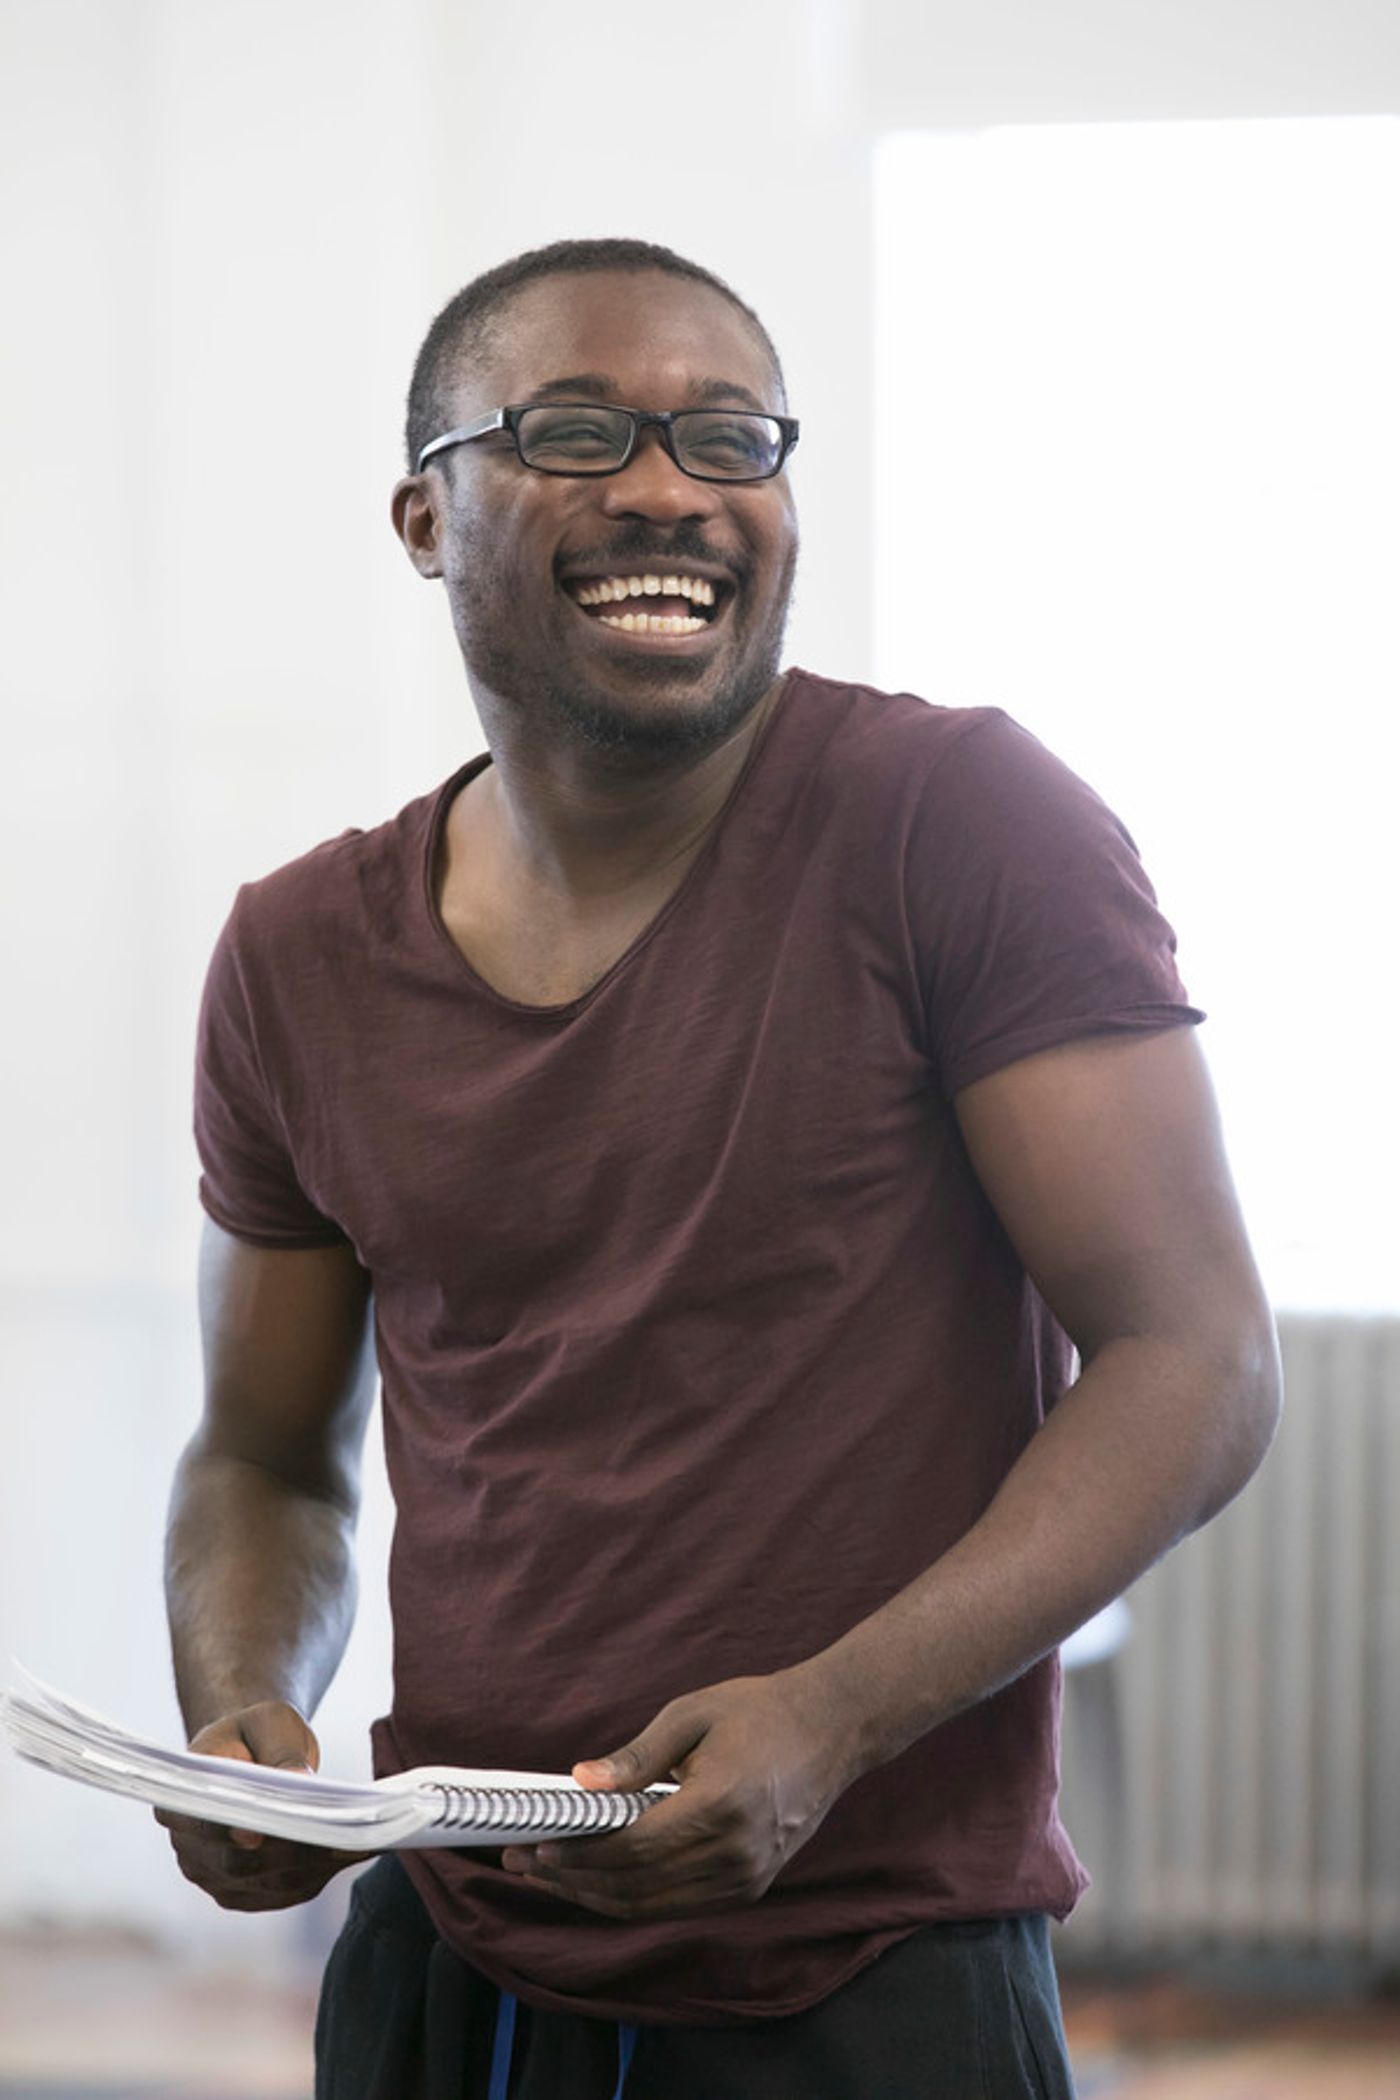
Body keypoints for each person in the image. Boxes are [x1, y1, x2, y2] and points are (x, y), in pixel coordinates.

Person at [159, 237, 1281, 2099]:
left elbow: (1197, 1363)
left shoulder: (960, 824)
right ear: (426, 519)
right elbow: (267, 1454)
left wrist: (833, 1720)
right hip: (442, 1950)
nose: (671, 488)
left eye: (732, 439)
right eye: (577, 432)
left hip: (871, 1967)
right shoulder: (295, 956)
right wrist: (236, 1713)